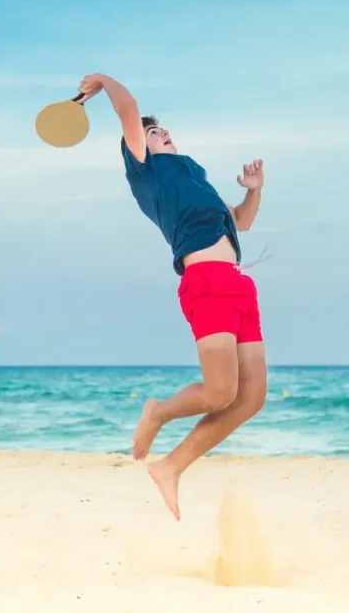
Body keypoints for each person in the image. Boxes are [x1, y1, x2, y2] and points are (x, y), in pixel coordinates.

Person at [76, 73, 267, 521]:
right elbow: (128, 110)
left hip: (239, 283)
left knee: (251, 397)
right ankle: (158, 411)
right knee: (220, 392)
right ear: (137, 146)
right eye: (154, 131)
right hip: (206, 283)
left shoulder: (194, 176)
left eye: (163, 129)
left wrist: (253, 191)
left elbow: (240, 221)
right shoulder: (148, 173)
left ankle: (172, 467)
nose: (163, 133)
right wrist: (103, 82)